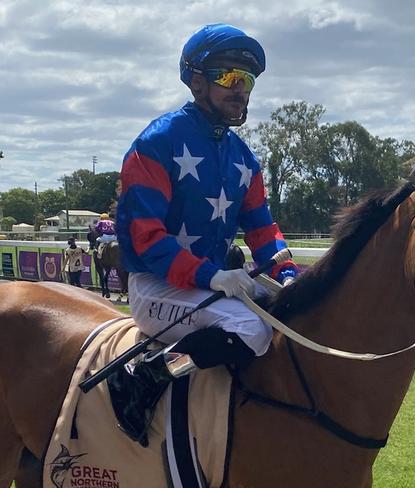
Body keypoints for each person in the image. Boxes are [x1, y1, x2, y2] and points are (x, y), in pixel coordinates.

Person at [111, 23, 299, 445]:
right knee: (253, 329)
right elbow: (145, 237)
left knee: (299, 315)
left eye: (247, 80)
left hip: (213, 286)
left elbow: (263, 228)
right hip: (157, 287)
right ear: (197, 82)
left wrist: (288, 275)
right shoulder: (155, 144)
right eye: (229, 78)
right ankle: (145, 376)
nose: (242, 89)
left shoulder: (244, 158)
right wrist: (211, 276)